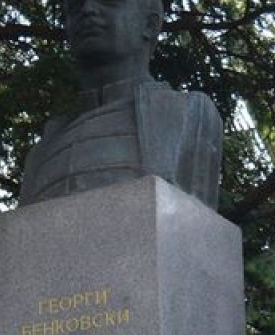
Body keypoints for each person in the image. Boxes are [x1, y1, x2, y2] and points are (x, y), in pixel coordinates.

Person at [19, 0, 222, 208]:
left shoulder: (189, 114)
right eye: (75, 6)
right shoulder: (43, 152)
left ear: (150, 24)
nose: (87, 9)